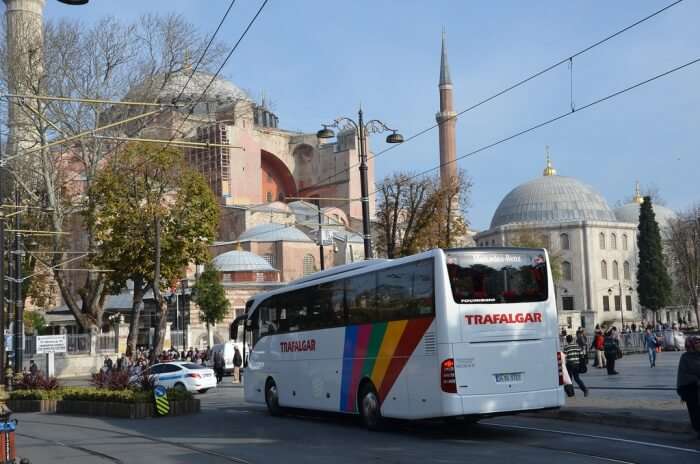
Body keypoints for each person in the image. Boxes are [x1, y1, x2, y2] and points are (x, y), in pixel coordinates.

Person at [676, 336, 700, 439]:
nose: (699, 346)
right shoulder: (685, 357)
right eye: (697, 344)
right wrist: (696, 380)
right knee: (695, 411)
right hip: (691, 389)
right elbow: (683, 375)